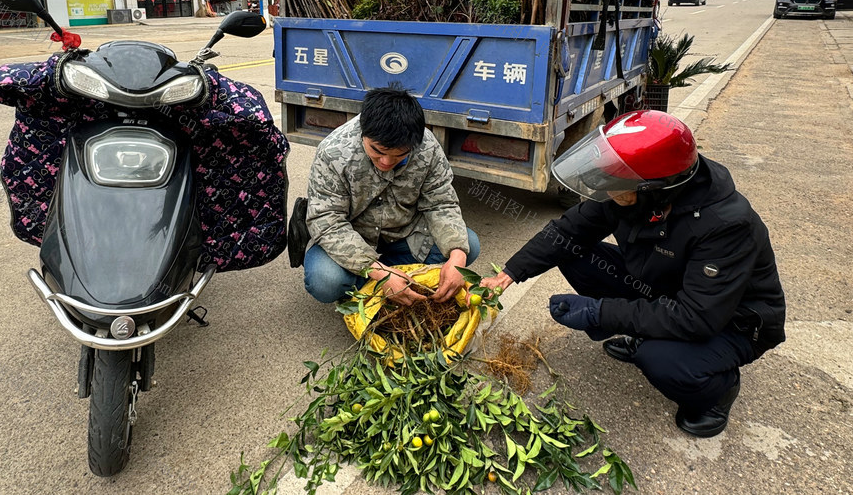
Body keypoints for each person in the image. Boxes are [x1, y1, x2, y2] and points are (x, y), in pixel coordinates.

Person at [480, 110, 785, 438]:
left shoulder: (726, 225)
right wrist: (509, 273)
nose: (609, 192)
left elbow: (696, 318)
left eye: (617, 185)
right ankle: (647, 334)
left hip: (732, 322)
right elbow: (566, 233)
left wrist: (601, 313)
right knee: (571, 251)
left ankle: (718, 390)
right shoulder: (628, 187)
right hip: (667, 288)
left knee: (661, 361)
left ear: (657, 190)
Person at [303, 86, 480, 305]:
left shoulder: (427, 147)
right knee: (326, 280)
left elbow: (440, 203)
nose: (386, 162)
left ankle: (387, 280)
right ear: (363, 133)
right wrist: (379, 272)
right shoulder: (334, 153)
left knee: (466, 246)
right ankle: (383, 279)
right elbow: (327, 222)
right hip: (355, 238)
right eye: (377, 151)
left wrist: (457, 255)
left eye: (399, 156)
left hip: (404, 236)